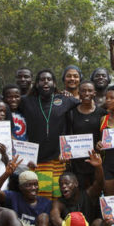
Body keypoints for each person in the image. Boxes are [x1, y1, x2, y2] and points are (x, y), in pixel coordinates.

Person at [19, 70, 77, 198]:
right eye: (42, 79)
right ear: (37, 84)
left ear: (54, 84)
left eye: (49, 79)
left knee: (59, 197)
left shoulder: (64, 100)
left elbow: (84, 104)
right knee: (40, 198)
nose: (46, 82)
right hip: (37, 160)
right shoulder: (26, 101)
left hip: (58, 159)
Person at [64, 81, 106, 189]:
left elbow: (105, 136)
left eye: (90, 91)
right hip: (76, 162)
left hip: (96, 160)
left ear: (94, 93)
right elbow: (67, 135)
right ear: (79, 93)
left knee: (96, 191)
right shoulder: (71, 113)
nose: (87, 93)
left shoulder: (102, 113)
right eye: (83, 91)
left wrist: (101, 143)